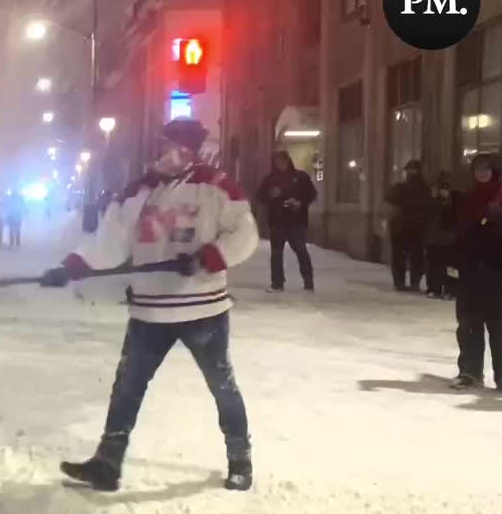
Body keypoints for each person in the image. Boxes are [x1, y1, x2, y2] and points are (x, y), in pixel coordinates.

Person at [43, 119, 259, 492]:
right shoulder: (139, 191)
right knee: (127, 387)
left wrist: (212, 256)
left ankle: (240, 460)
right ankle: (107, 464)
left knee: (221, 385)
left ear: (194, 148)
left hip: (201, 309)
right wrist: (73, 266)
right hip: (149, 309)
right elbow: (110, 239)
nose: (171, 153)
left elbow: (245, 231)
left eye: (181, 146)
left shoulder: (216, 186)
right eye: (167, 144)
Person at [450, 154, 502, 396]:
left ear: (495, 170)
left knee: (500, 326)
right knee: (469, 325)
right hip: (471, 272)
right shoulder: (468, 197)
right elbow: (456, 232)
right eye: (477, 169)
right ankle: (470, 372)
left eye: (486, 169)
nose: (481, 173)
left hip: (500, 272)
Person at [256, 150, 316, 292]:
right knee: (276, 253)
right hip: (277, 221)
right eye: (277, 162)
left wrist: (300, 202)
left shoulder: (301, 177)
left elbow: (311, 194)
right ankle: (277, 283)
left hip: (296, 221)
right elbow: (260, 196)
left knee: (301, 250)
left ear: (288, 160)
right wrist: (271, 195)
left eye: (282, 161)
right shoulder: (270, 179)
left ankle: (308, 281)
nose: (280, 164)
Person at [385, 159, 432, 292]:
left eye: (413, 171)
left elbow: (390, 208)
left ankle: (404, 282)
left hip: (406, 228)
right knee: (413, 256)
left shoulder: (401, 188)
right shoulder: (424, 190)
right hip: (412, 228)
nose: (411, 174)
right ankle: (410, 282)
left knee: (406, 257)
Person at [425, 170, 459, 300]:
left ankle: (450, 289)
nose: (444, 190)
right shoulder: (434, 202)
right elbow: (430, 219)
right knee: (435, 265)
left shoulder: (455, 202)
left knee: (451, 267)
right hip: (437, 239)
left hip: (450, 239)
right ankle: (434, 288)